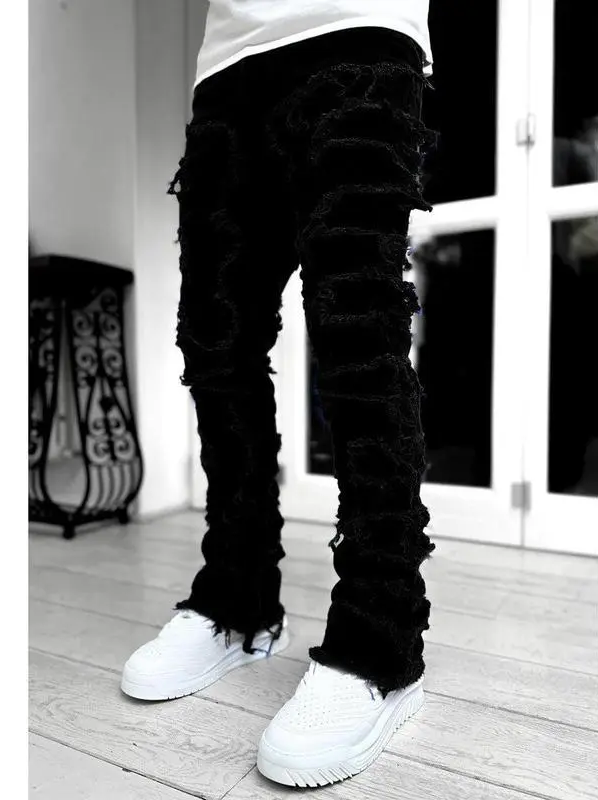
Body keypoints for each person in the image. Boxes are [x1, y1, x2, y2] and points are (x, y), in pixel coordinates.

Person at [121, 0, 435, 787]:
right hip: (226, 66)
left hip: (357, 30)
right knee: (215, 344)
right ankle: (239, 599)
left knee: (358, 342)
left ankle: (381, 635)